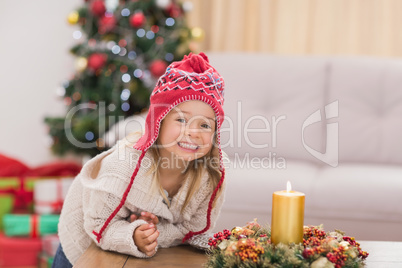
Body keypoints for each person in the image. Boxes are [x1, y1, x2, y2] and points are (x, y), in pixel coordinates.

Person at [52, 52, 228, 267]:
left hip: (141, 253)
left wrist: (151, 232)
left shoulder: (210, 173)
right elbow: (98, 225)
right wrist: (133, 235)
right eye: (181, 119)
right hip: (83, 246)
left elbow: (194, 228)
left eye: (205, 125)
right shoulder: (124, 164)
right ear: (158, 122)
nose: (193, 132)